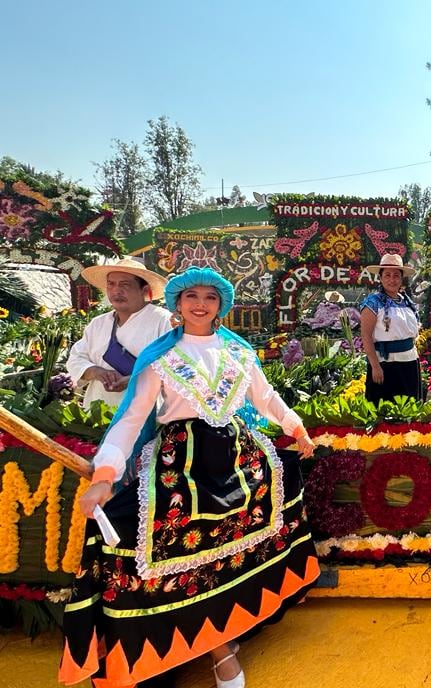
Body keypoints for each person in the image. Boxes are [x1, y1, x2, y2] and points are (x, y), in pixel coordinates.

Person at [59, 267, 319, 688]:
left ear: (221, 306)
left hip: (239, 458)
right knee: (142, 536)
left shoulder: (239, 353)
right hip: (181, 464)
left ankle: (225, 636)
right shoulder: (160, 357)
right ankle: (212, 649)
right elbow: (131, 419)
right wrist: (105, 475)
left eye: (210, 297)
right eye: (192, 296)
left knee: (257, 516)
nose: (200, 303)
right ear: (177, 304)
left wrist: (296, 428)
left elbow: (265, 398)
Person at [66, 257, 173, 407]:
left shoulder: (163, 321)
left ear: (144, 290)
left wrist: (134, 380)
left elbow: (176, 366)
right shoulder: (98, 324)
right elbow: (76, 358)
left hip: (144, 411)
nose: (116, 290)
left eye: (125, 284)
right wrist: (97, 372)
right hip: (96, 408)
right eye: (111, 284)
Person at [359, 253, 423, 404]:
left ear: (401, 279)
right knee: (385, 409)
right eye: (387, 275)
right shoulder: (373, 303)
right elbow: (366, 336)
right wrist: (375, 366)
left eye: (396, 275)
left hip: (409, 361)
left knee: (409, 407)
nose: (392, 280)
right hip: (386, 364)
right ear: (380, 278)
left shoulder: (406, 301)